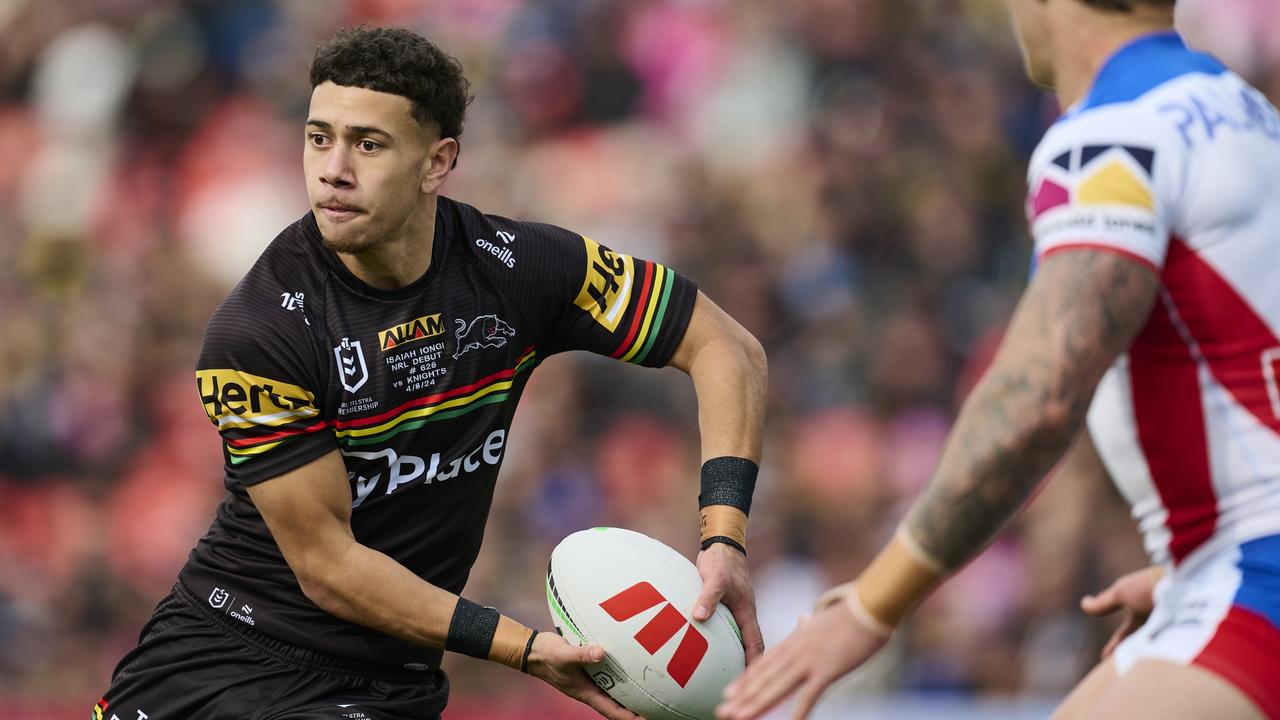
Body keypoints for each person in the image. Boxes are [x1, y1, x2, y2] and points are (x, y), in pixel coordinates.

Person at [94, 26, 768, 720]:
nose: (333, 169)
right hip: (219, 661)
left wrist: (724, 540)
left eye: (369, 143)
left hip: (386, 684)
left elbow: (725, 346)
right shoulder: (261, 329)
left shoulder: (519, 271)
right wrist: (523, 647)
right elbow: (327, 566)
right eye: (318, 137)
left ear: (437, 161)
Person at [718, 0, 1280, 718]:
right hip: (1224, 572)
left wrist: (871, 606)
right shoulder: (1251, 116)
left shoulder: (1112, 135)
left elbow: (1036, 400)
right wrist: (1186, 565)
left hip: (1254, 583)